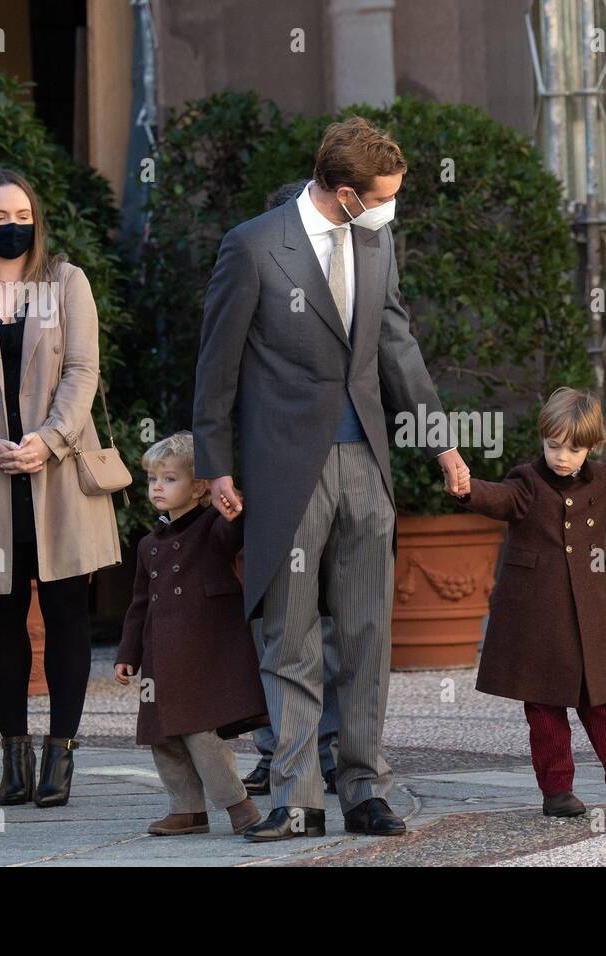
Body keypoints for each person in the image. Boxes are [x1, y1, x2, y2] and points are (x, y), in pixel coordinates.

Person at [193, 117, 470, 841]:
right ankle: (296, 800)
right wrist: (214, 464)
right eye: (382, 196)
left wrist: (441, 446)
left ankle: (364, 790)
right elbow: (216, 368)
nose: (391, 208)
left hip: (367, 467)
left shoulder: (375, 242)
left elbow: (399, 348)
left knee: (368, 633)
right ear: (345, 192)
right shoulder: (253, 247)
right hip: (286, 471)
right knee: (290, 638)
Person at [0, 169, 121, 807]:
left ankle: (59, 755)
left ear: (36, 220)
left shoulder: (66, 283)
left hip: (59, 475)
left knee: (68, 613)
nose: (10, 227)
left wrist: (51, 438)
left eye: (21, 216)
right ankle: (13, 754)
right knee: (0, 615)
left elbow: (84, 367)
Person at [452, 388, 606, 816]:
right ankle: (557, 792)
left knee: (605, 706)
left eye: (574, 448)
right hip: (539, 618)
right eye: (553, 446)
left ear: (592, 447)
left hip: (588, 619)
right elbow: (499, 497)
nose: (562, 456)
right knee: (545, 708)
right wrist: (466, 488)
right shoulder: (527, 482)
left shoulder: (600, 482)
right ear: (542, 440)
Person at [240, 179, 342, 799]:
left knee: (330, 621)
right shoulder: (252, 271)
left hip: (340, 468)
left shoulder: (348, 276)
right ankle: (277, 748)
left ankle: (330, 750)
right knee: (278, 623)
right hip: (275, 472)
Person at [114, 431, 269, 835]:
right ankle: (186, 809)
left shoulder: (212, 528)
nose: (157, 488)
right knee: (161, 734)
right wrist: (127, 654)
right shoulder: (149, 544)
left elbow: (231, 536)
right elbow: (138, 605)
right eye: (152, 480)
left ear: (199, 486)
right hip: (159, 657)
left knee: (201, 732)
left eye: (169, 479)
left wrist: (232, 512)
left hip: (203, 652)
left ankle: (239, 806)